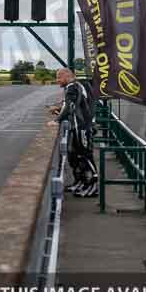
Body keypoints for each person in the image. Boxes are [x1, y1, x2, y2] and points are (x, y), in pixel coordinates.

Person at [48, 68, 98, 198]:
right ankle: (82, 182)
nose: (57, 80)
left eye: (59, 77)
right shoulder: (76, 86)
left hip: (82, 127)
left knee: (86, 156)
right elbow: (73, 105)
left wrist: (57, 120)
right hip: (81, 126)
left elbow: (70, 106)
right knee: (77, 156)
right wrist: (59, 110)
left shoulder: (72, 87)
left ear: (66, 76)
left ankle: (93, 186)